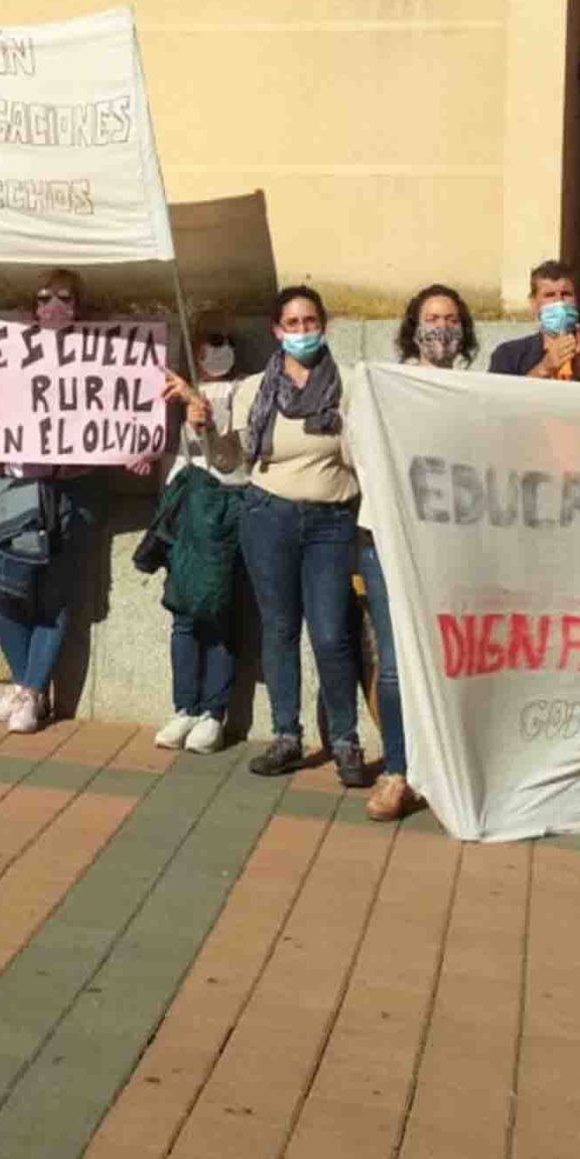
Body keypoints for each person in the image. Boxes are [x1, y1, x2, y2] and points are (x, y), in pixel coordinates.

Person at [189, 285, 372, 785]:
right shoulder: (254, 389)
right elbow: (231, 459)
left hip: (332, 520)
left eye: (310, 321)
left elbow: (364, 454)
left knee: (332, 635)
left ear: (324, 325)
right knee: (279, 629)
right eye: (291, 324)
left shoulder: (351, 384)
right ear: (276, 331)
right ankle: (286, 736)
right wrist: (205, 428)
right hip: (268, 515)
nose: (302, 332)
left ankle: (345, 741)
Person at [0, 268, 110, 735]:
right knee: (0, 593)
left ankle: (28, 691)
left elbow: (116, 415)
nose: (52, 307)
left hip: (72, 490)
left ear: (79, 307)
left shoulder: (99, 359)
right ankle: (29, 687)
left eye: (64, 299)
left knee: (54, 596)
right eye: (43, 299)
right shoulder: (10, 352)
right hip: (15, 488)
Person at [361, 284, 478, 820]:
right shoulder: (384, 387)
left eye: (451, 318)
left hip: (453, 545)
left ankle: (449, 768)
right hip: (387, 539)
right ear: (413, 326)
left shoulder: (480, 391)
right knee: (393, 661)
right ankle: (397, 772)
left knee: (454, 659)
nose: (442, 327)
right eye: (432, 317)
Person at [152, 311, 251, 754]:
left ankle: (215, 712)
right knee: (184, 614)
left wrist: (198, 404)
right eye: (210, 340)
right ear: (193, 349)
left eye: (226, 339)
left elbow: (228, 452)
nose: (219, 348)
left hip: (226, 508)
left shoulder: (245, 389)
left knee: (219, 613)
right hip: (186, 511)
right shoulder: (173, 388)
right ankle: (184, 707)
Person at [488, 260, 580, 382]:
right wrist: (543, 368)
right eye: (549, 295)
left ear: (578, 300)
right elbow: (498, 404)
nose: (559, 302)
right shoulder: (508, 355)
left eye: (566, 294)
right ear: (533, 303)